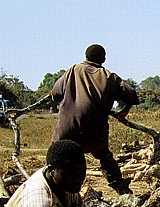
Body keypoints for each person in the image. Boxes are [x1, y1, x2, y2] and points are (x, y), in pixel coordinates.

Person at [51, 44, 139, 195]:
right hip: (95, 133)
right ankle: (122, 189)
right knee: (104, 157)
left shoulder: (73, 70)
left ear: (86, 57)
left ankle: (51, 186)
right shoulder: (109, 77)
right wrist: (124, 111)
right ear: (104, 59)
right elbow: (131, 94)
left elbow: (55, 94)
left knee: (55, 154)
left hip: (68, 130)